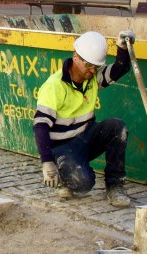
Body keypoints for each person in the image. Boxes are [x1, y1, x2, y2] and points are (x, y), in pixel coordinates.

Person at [34, 29, 135, 208]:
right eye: (88, 65)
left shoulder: (93, 77)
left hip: (86, 137)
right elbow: (40, 126)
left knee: (117, 127)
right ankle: (65, 176)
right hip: (63, 147)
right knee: (84, 183)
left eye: (95, 66)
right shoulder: (54, 86)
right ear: (76, 57)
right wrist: (47, 162)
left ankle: (115, 186)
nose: (91, 70)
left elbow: (121, 68)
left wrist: (122, 47)